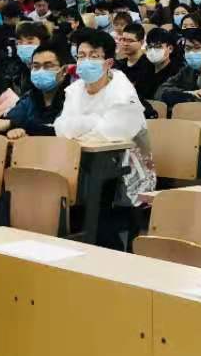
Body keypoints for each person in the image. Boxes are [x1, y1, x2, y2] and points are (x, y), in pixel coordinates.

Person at [54, 30, 155, 242]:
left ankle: (102, 241)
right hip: (83, 161)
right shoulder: (74, 90)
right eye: (81, 56)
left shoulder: (122, 90)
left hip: (125, 169)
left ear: (108, 62)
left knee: (96, 190)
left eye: (93, 56)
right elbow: (61, 127)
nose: (85, 61)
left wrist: (80, 126)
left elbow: (109, 133)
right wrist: (92, 122)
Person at [0, 42, 68, 138]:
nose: (41, 71)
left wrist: (18, 125)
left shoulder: (73, 97)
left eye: (48, 66)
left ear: (64, 70)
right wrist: (15, 130)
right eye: (36, 66)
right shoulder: (30, 97)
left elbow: (59, 131)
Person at [114, 22, 160, 105]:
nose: (125, 44)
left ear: (141, 42)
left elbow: (141, 94)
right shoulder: (119, 64)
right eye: (123, 39)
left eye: (130, 41)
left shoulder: (148, 65)